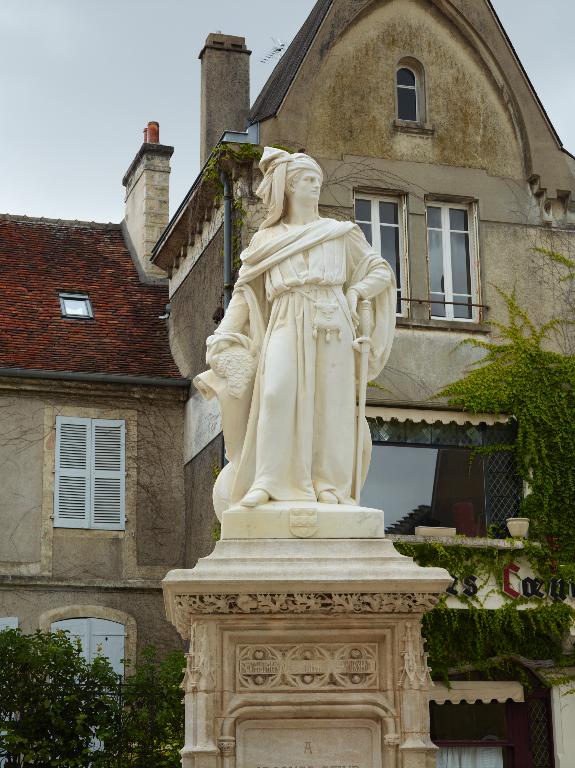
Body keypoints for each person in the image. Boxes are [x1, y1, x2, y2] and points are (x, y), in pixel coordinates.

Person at [194, 147, 396, 514]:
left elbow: (379, 271)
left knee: (330, 403)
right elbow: (244, 293)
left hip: (332, 321)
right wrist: (224, 333)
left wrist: (355, 290)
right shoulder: (266, 241)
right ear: (288, 187)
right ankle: (268, 482)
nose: (315, 187)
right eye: (307, 180)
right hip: (287, 318)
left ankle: (329, 487)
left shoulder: (339, 234)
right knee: (275, 393)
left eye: (318, 180)